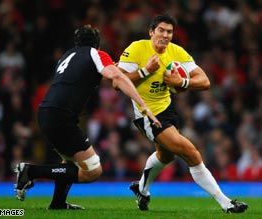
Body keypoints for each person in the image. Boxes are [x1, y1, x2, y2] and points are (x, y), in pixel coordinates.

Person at [14, 24, 161, 210]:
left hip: (47, 112)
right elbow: (116, 78)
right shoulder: (96, 54)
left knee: (69, 161)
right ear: (97, 44)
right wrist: (145, 106)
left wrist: (130, 71)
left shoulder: (67, 55)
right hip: (62, 116)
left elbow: (107, 75)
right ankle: (30, 171)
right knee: (92, 171)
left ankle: (58, 203)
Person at [117, 13, 248, 213]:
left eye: (169, 32)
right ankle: (226, 203)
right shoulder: (136, 49)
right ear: (151, 32)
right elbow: (117, 82)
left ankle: (141, 188)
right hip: (146, 114)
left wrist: (182, 82)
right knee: (190, 152)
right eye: (161, 30)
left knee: (166, 155)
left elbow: (205, 81)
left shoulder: (176, 51)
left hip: (168, 109)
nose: (165, 35)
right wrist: (145, 71)